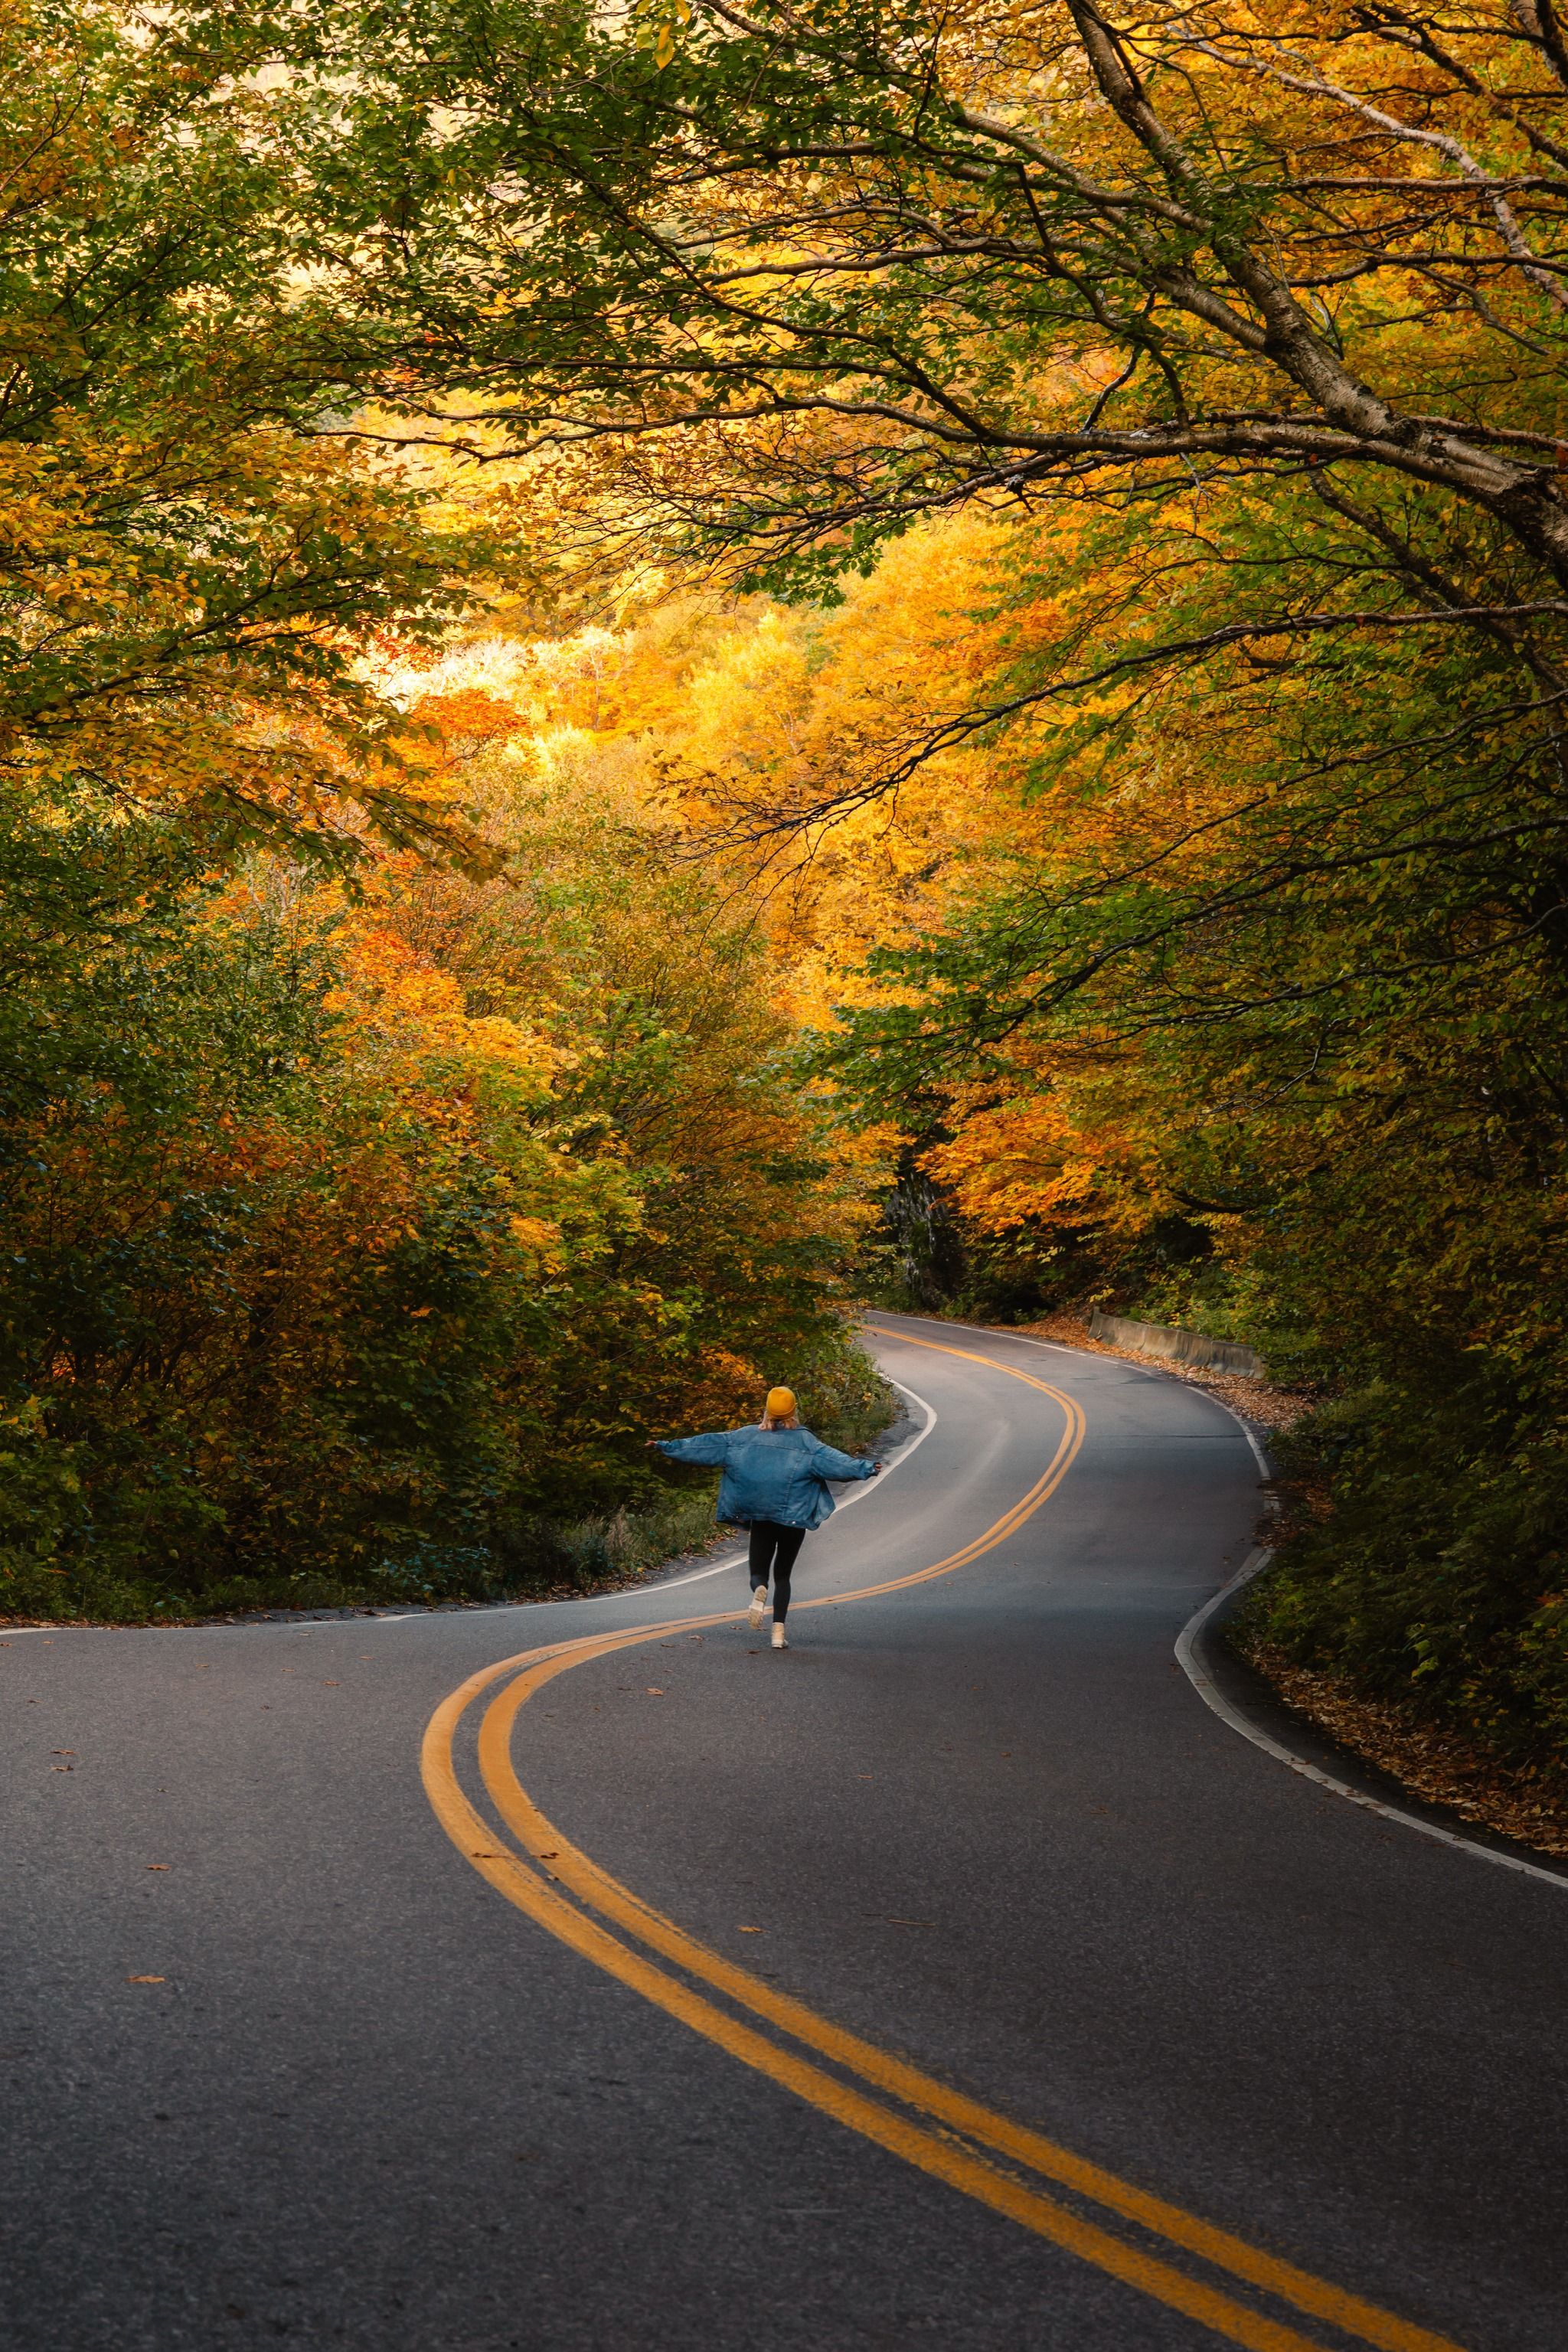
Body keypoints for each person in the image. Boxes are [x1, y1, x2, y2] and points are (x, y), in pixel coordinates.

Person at [650, 1387, 880, 1648]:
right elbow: (836, 1463)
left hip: (760, 1516)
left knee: (759, 1571)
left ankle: (759, 1592)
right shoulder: (807, 1443)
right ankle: (778, 1634)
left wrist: (666, 1446)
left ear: (767, 1410)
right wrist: (867, 1467)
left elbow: (705, 1445)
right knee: (783, 1575)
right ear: (794, 1410)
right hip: (793, 1519)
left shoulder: (742, 1438)